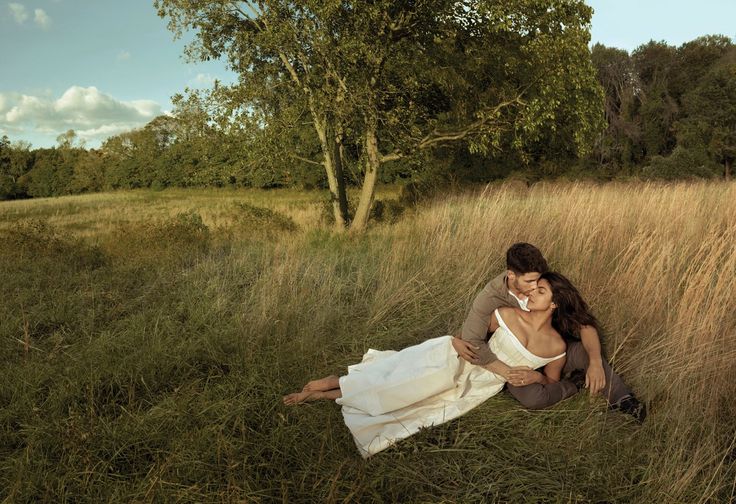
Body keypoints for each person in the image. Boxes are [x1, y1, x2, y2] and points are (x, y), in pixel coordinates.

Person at [283, 272, 589, 458]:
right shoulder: (506, 314)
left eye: (541, 291)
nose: (531, 293)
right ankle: (333, 383)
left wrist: (535, 375)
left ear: (555, 304)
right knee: (406, 380)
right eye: (532, 288)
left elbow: (551, 382)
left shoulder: (557, 347)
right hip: (461, 358)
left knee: (418, 407)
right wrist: (454, 342)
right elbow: (468, 337)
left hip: (481, 385)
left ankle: (332, 393)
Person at [452, 243, 645, 421]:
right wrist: (457, 339)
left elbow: (585, 325)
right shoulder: (492, 297)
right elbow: (475, 331)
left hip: (554, 350)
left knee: (587, 353)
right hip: (515, 357)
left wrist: (594, 361)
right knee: (531, 396)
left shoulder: (547, 288)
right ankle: (574, 385)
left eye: (539, 283)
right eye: (530, 282)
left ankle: (623, 400)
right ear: (511, 276)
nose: (535, 287)